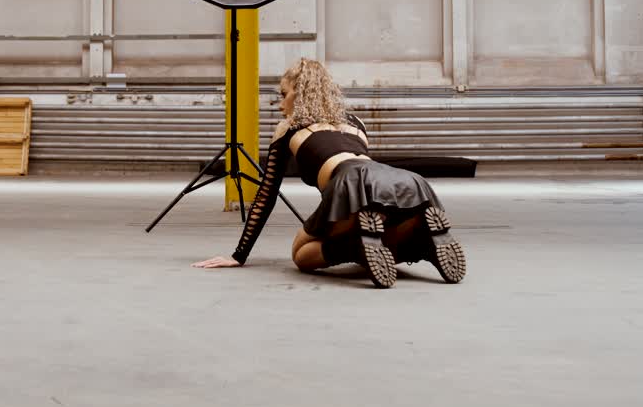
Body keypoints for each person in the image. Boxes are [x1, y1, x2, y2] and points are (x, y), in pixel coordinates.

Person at [192, 58, 467, 288]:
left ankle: (356, 247)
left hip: (350, 183)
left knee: (301, 254)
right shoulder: (355, 122)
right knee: (381, 234)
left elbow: (266, 194)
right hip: (404, 181)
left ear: (299, 94)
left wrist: (239, 255)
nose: (279, 104)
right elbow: (364, 169)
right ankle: (425, 244)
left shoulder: (289, 126)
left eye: (283, 94)